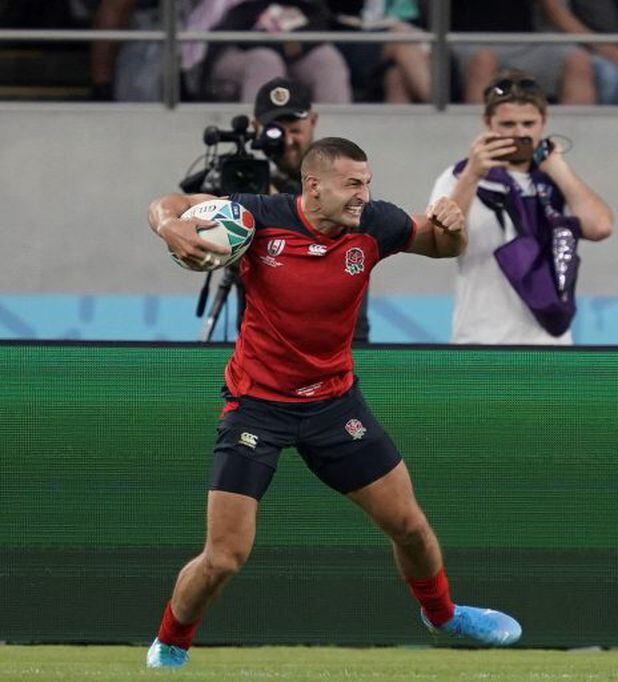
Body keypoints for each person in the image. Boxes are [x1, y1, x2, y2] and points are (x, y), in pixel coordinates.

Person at [144, 137, 521, 669]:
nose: (363, 194)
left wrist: (454, 227)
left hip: (334, 405)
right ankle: (170, 645)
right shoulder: (259, 216)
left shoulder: (376, 224)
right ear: (313, 186)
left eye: (367, 183)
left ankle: (442, 616)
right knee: (225, 557)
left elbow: (440, 246)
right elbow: (168, 204)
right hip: (257, 407)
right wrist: (169, 225)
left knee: (409, 526)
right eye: (352, 184)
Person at [429, 71, 613, 344]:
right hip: (480, 338)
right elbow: (439, 242)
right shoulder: (456, 177)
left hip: (551, 342)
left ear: (544, 122)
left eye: (529, 123)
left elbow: (600, 226)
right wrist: (472, 175)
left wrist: (558, 168)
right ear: (487, 123)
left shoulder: (554, 181)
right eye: (508, 124)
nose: (520, 133)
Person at [252, 77, 371, 341]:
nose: (288, 140)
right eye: (276, 131)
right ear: (256, 128)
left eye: (295, 129)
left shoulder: (336, 180)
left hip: (341, 342)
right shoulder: (247, 186)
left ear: (313, 121)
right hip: (267, 349)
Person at [182, 0, 353, 103]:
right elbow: (228, 31)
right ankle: (256, 144)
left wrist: (294, 43)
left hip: (287, 46)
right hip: (227, 49)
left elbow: (317, 18)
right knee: (266, 62)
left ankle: (335, 147)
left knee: (327, 60)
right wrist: (276, 43)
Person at [449, 0, 598, 105]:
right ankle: (482, 141)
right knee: (484, 60)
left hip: (524, 40)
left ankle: (572, 139)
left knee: (578, 60)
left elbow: (554, 11)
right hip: (469, 38)